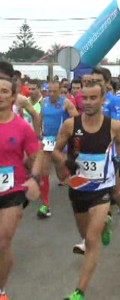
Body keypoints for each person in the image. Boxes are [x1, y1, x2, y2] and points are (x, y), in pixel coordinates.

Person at [52, 81, 120, 300]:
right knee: (85, 236)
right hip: (78, 188)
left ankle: (79, 292)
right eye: (84, 98)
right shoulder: (70, 125)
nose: (87, 102)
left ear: (103, 100)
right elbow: (54, 152)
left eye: (93, 98)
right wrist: (66, 161)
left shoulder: (112, 125)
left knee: (92, 240)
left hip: (102, 187)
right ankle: (105, 224)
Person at [0, 76, 42, 300]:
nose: (0, 95)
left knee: (3, 241)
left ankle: (1, 290)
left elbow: (37, 156)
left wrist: (34, 178)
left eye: (4, 91)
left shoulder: (22, 126)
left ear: (13, 97)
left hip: (12, 190)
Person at [38, 81, 78, 218]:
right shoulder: (44, 102)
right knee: (44, 171)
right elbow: (40, 117)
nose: (51, 94)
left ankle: (71, 171)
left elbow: (76, 118)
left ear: (60, 90)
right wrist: (38, 132)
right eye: (49, 91)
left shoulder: (65, 102)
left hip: (61, 140)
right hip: (47, 140)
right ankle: (45, 205)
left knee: (61, 176)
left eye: (54, 91)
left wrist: (68, 133)